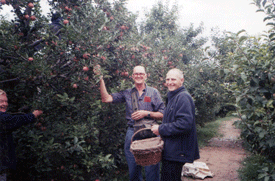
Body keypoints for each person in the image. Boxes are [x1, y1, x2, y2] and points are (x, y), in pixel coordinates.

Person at [94, 65, 165, 181]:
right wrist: (100, 79)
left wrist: (146, 113)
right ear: (132, 76)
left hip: (151, 132)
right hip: (133, 132)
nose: (139, 76)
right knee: (133, 168)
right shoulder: (127, 93)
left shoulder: (153, 92)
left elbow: (163, 115)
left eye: (141, 73)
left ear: (145, 76)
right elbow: (106, 99)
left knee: (152, 169)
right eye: (136, 74)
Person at [151, 68, 200, 181]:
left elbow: (185, 124)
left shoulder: (183, 97)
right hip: (172, 149)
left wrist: (161, 129)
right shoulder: (173, 96)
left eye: (173, 79)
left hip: (178, 151)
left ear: (181, 80)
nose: (170, 82)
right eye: (167, 79)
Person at [0, 89, 43, 181]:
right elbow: (13, 120)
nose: (4, 104)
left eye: (6, 101)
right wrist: (33, 115)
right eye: (1, 101)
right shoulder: (3, 119)